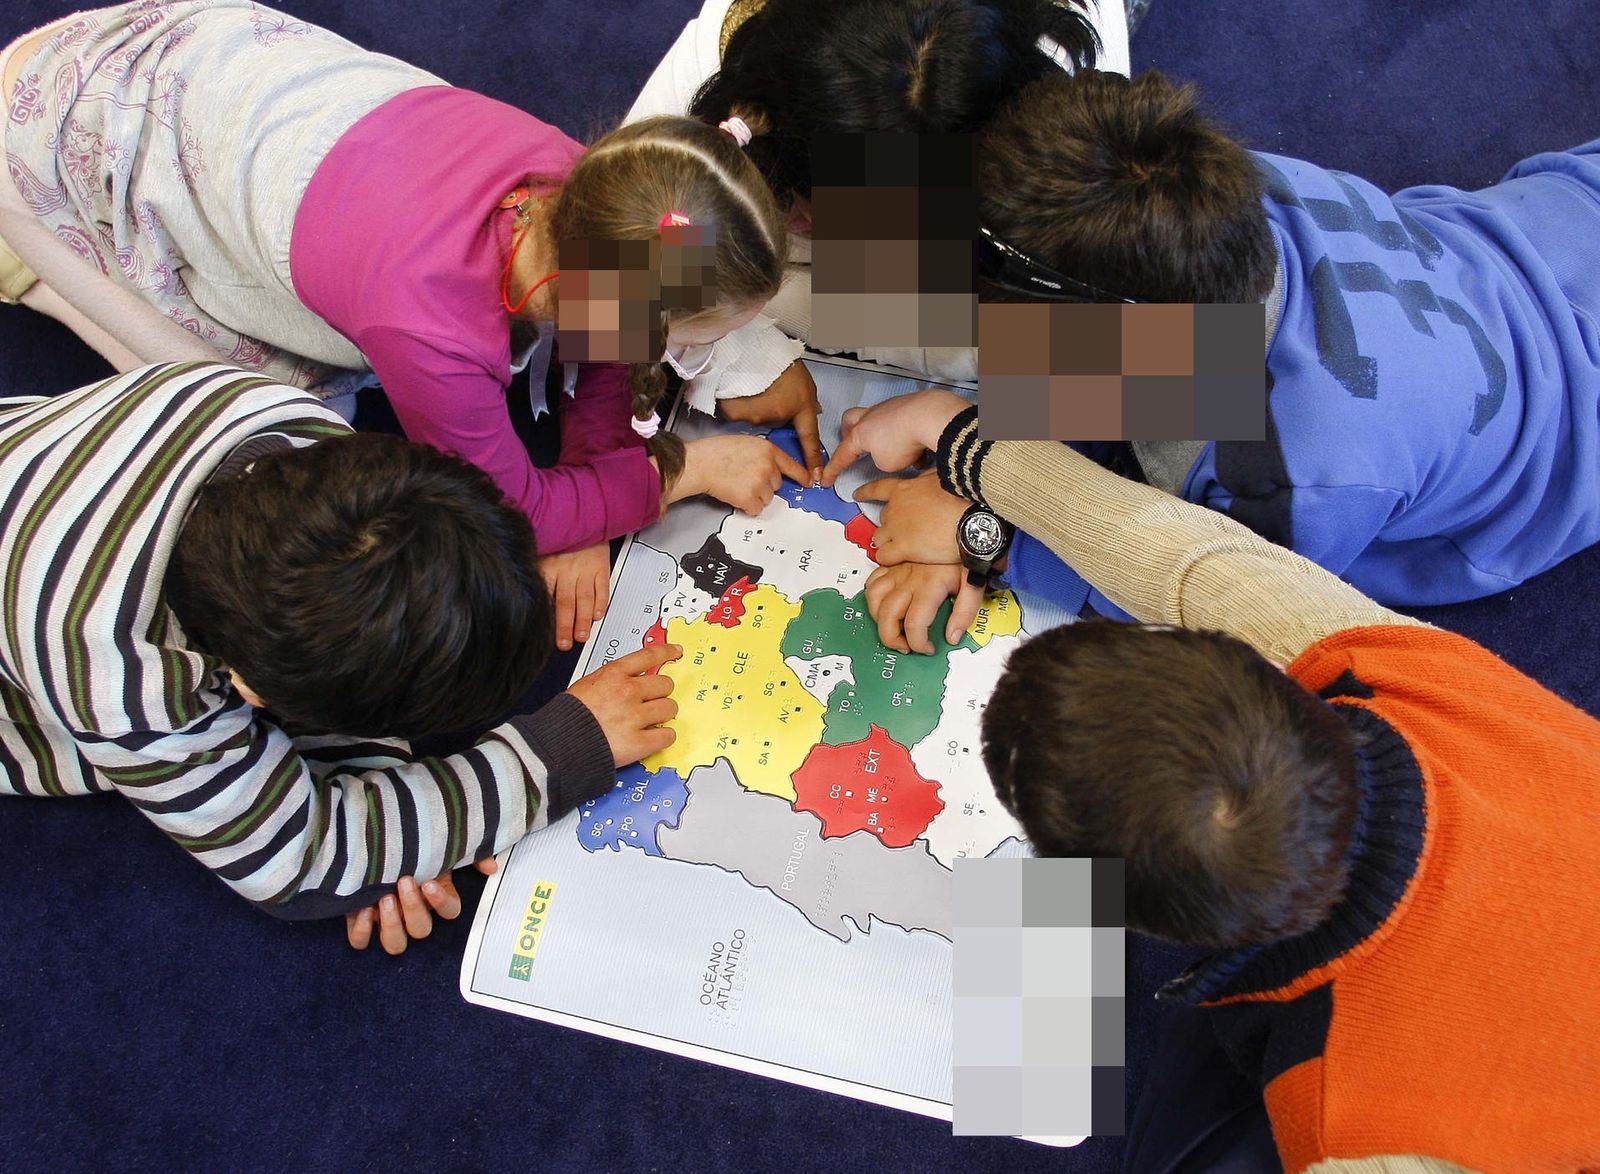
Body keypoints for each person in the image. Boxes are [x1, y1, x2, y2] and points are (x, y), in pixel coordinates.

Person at [828, 387, 1600, 1172]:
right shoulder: (1401, 667)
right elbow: (1178, 555)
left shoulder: (1340, 1129)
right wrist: (965, 467)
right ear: (1268, 670)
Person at [0, 0, 807, 639]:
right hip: (81, 131)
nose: (700, 356)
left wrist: (595, 470)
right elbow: (508, 509)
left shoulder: (601, 196)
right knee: (289, 418)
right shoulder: (434, 334)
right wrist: (673, 472)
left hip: (225, 77)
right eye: (695, 342)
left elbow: (606, 349)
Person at [0, 360, 685, 937]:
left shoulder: (291, 431)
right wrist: (557, 754)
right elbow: (297, 862)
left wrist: (381, 817)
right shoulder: (121, 680)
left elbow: (354, 611)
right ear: (249, 690)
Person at [970, 69, 1600, 606]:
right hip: (1561, 216)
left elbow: (1197, 600)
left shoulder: (1294, 476)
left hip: (1567, 448)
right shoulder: (1222, 186)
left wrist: (995, 540)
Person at [622, 0, 1127, 475]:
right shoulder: (721, 76)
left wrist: (984, 466)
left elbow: (1173, 369)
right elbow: (602, 289)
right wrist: (739, 360)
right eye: (815, 212)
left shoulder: (1066, 130)